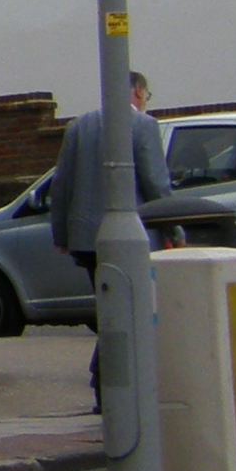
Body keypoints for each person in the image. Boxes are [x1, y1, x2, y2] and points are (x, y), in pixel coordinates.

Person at [40, 71, 169, 404]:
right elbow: (155, 183)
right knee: (131, 309)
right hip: (132, 237)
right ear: (138, 92)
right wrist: (174, 230)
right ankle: (106, 379)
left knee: (111, 306)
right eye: (146, 93)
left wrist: (61, 234)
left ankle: (107, 385)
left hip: (87, 239)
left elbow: (62, 185)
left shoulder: (79, 127)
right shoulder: (144, 126)